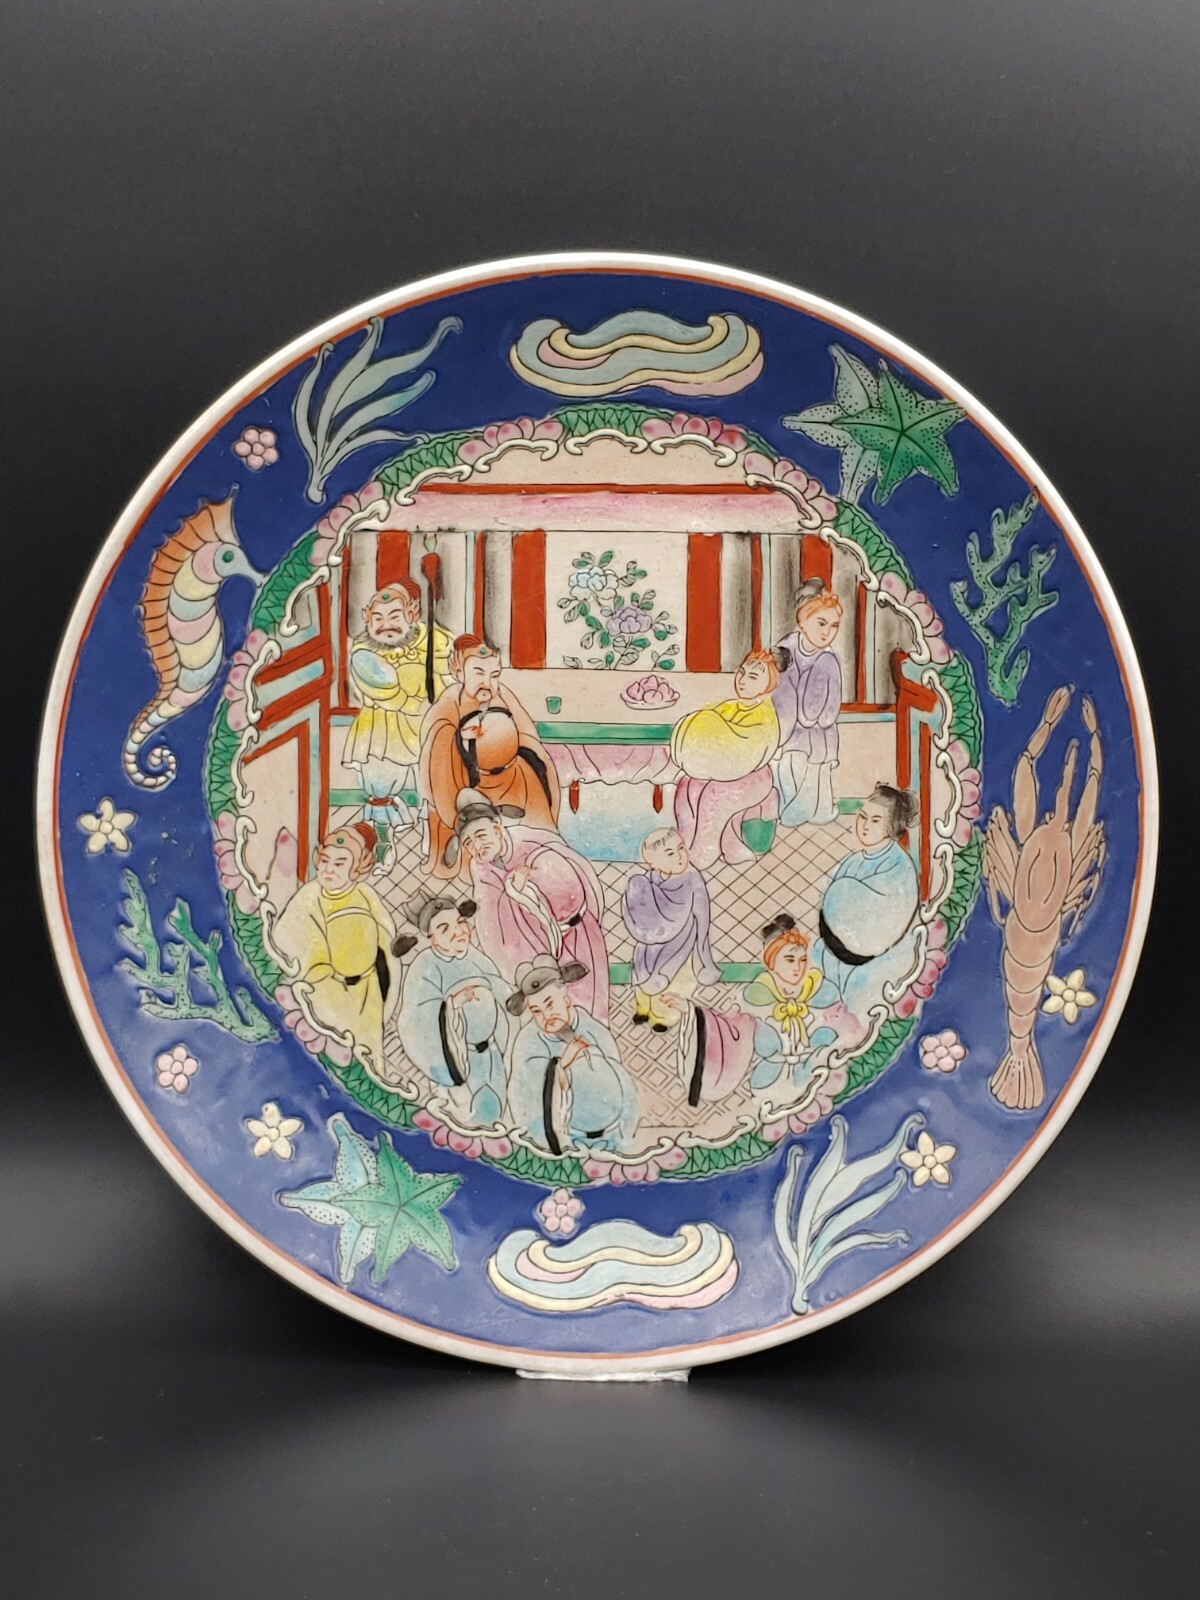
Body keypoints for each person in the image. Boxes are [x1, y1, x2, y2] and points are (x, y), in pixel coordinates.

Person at [449, 788, 611, 1022]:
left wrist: (528, 884)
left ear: (497, 830)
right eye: (468, 843)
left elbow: (569, 888)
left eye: (481, 836)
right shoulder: (482, 868)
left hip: (578, 933)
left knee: (591, 1008)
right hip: (539, 951)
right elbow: (490, 919)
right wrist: (513, 891)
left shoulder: (530, 842)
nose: (477, 846)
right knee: (553, 1016)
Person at [418, 635, 561, 878]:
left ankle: (536, 856)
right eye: (479, 674)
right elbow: (437, 751)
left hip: (513, 776)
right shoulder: (449, 704)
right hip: (468, 782)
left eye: (494, 675)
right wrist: (460, 739)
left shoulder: (503, 695)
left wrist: (512, 744)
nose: (488, 683)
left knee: (534, 795)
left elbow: (527, 734)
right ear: (459, 672)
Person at [274, 823, 397, 1080]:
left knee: (370, 1056)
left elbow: (386, 937)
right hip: (326, 989)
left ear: (357, 868)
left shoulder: (365, 894)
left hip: (368, 990)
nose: (329, 869)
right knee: (334, 1055)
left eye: (340, 863)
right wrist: (322, 978)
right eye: (325, 861)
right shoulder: (309, 897)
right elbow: (289, 939)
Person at [391, 889, 511, 1129]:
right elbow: (416, 1018)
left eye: (459, 922)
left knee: (496, 1112)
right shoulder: (424, 966)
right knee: (468, 1120)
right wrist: (451, 1006)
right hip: (458, 1061)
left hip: (491, 1055)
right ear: (432, 938)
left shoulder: (475, 957)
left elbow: (501, 990)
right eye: (445, 928)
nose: (457, 931)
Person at [345, 581, 453, 844]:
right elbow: (390, 691)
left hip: (426, 727)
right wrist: (416, 690)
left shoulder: (431, 643)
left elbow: (447, 671)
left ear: (412, 615)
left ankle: (435, 842)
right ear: (366, 618)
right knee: (381, 788)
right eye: (378, 619)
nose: (386, 625)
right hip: (383, 732)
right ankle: (382, 844)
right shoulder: (363, 653)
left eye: (395, 617)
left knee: (434, 785)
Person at [813, 784, 921, 1025]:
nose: (864, 825)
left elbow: (890, 914)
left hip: (875, 956)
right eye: (862, 816)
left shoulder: (898, 864)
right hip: (837, 946)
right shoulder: (853, 860)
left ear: (891, 826)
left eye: (875, 820)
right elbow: (828, 897)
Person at [506, 958, 638, 1155]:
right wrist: (560, 1066)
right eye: (537, 1012)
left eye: (550, 1005)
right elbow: (524, 1092)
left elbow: (619, 1078)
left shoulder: (593, 1030)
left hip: (611, 1134)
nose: (546, 1016)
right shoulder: (528, 1041)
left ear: (566, 1000)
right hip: (565, 1140)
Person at [670, 648, 784, 868]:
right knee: (687, 785)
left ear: (771, 683)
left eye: (753, 677)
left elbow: (747, 752)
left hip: (753, 777)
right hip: (724, 770)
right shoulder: (729, 706)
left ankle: (704, 851)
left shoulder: (765, 715)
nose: (742, 680)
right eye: (741, 672)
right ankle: (687, 842)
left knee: (714, 794)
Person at [621, 827, 720, 1031]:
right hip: (651, 946)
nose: (679, 856)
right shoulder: (649, 880)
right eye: (670, 854)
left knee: (674, 981)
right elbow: (638, 910)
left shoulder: (692, 879)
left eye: (681, 848)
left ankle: (663, 1017)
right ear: (653, 863)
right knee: (644, 971)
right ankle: (643, 1008)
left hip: (682, 942)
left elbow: (702, 913)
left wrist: (702, 945)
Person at [773, 578, 844, 826]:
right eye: (821, 623)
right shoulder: (785, 649)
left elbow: (831, 707)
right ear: (802, 621)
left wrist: (815, 717)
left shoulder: (828, 660)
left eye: (834, 626)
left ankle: (817, 811)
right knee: (786, 769)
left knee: (815, 773)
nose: (827, 632)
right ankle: (789, 811)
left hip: (818, 731)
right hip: (787, 726)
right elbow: (775, 689)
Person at [742, 915, 838, 1090]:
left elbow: (830, 995)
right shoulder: (764, 988)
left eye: (803, 960)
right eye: (790, 960)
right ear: (772, 961)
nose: (797, 968)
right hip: (776, 1057)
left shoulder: (811, 984)